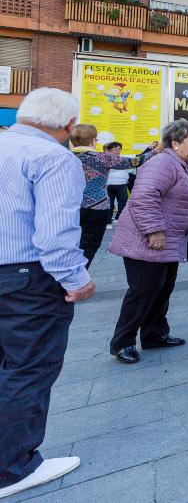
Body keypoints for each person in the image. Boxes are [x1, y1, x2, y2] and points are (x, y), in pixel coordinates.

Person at [0, 89, 95, 499]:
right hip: (28, 280)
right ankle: (12, 468)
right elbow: (55, 234)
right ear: (69, 125)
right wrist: (77, 280)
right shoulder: (55, 158)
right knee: (28, 369)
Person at [108, 120, 188, 364]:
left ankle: (155, 334)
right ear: (175, 143)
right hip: (148, 241)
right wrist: (154, 230)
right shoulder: (161, 163)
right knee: (142, 292)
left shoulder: (184, 165)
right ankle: (122, 342)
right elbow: (143, 198)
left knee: (162, 289)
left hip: (170, 241)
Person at [70, 124, 153, 266]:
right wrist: (156, 150)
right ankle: (77, 280)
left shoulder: (63, 156)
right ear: (93, 141)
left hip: (68, 208)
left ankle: (64, 279)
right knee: (89, 247)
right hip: (97, 208)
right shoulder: (103, 158)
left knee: (68, 245)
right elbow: (136, 162)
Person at [104, 142, 132, 224]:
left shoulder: (125, 160)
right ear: (109, 150)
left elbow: (139, 159)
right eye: (114, 149)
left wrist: (149, 148)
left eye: (119, 149)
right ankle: (108, 221)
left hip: (121, 185)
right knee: (109, 205)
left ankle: (118, 218)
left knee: (123, 203)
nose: (117, 150)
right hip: (109, 185)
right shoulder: (104, 160)